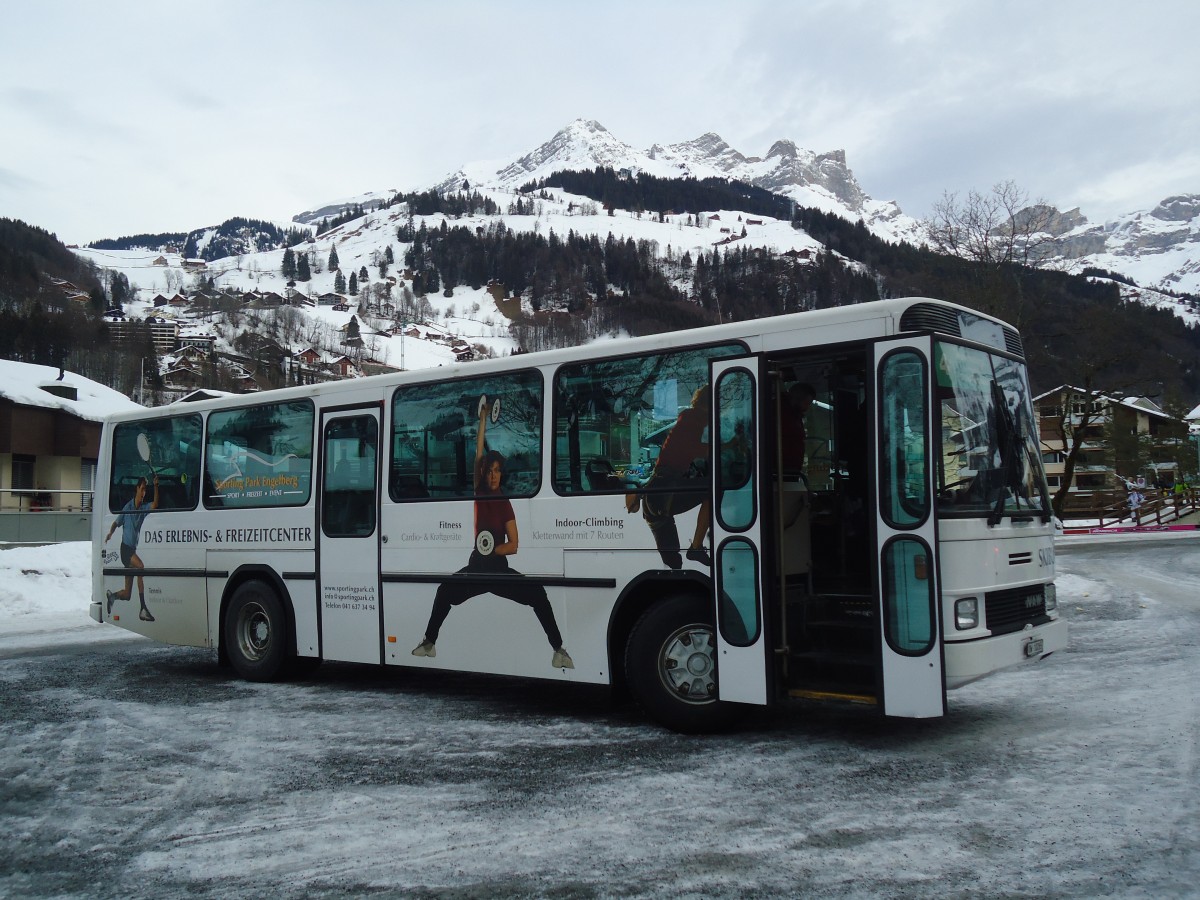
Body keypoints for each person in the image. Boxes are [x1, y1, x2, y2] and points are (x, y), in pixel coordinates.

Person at [413, 397, 573, 669]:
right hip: (477, 567)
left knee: (538, 594)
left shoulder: (505, 503)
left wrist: (494, 549)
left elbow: (514, 544)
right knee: (444, 591)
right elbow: (478, 452)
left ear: (502, 474)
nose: (494, 475)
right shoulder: (479, 490)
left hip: (498, 569)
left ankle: (559, 651)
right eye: (490, 470)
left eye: (498, 471)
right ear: (484, 473)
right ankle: (429, 643)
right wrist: (483, 418)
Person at [626, 385, 712, 569]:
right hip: (661, 496)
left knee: (674, 564)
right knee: (712, 491)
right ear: (709, 403)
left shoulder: (692, 419)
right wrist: (725, 446)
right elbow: (693, 449)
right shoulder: (692, 419)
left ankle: (699, 544)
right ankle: (696, 547)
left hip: (658, 495)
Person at [103, 474, 160, 622]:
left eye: (145, 490)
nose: (143, 493)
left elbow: (155, 504)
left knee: (127, 594)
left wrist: (155, 486)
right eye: (142, 489)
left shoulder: (143, 508)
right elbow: (116, 522)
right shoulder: (127, 507)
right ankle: (143, 609)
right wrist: (110, 533)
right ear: (137, 489)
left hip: (131, 550)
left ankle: (112, 596)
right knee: (140, 566)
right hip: (125, 550)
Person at [780, 382, 815, 477]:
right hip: (783, 471)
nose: (807, 408)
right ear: (797, 398)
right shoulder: (782, 414)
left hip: (789, 470)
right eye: (806, 403)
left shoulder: (794, 414)